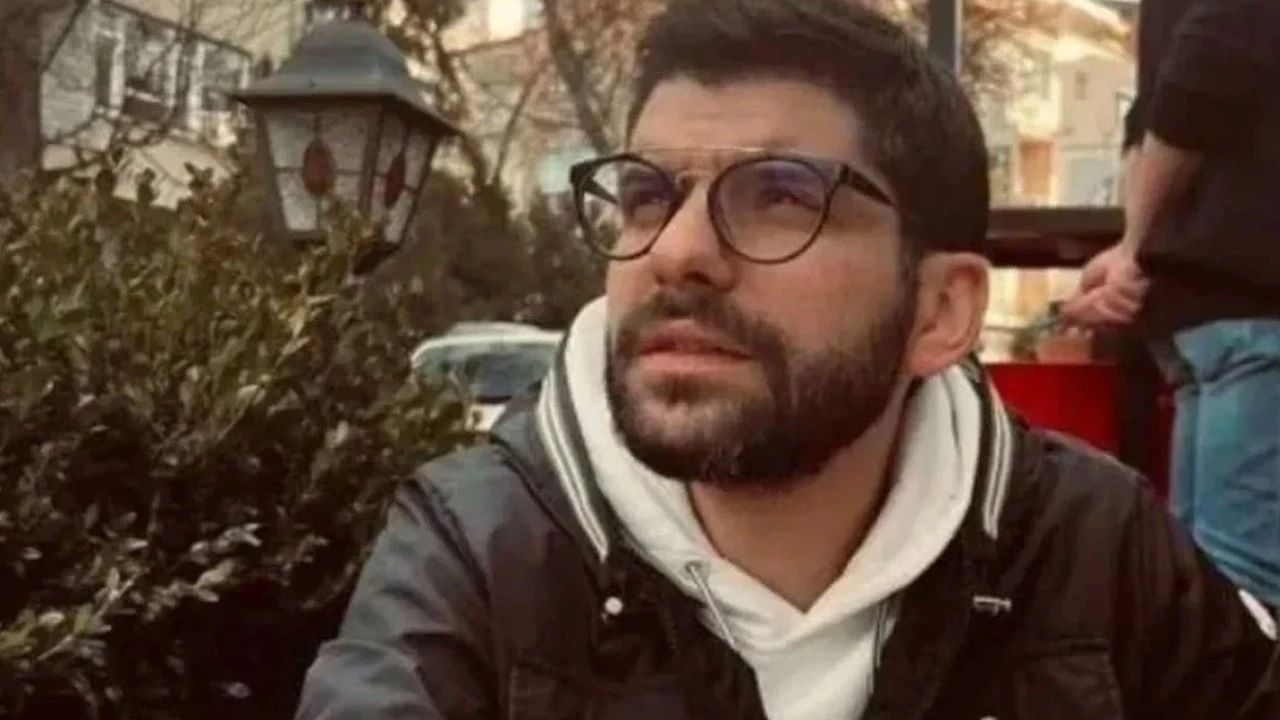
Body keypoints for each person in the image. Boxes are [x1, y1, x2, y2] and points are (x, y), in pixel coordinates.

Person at [297, 1, 1278, 718]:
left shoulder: (1094, 548)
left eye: (780, 196)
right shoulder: (481, 548)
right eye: (646, 196)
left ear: (940, 311)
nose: (676, 251)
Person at [1063, 0, 1280, 612]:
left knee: (1200, 577)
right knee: (1244, 585)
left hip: (1205, 307)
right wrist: (1133, 248)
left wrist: (1133, 248)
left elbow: (1157, 108)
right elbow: (1197, 76)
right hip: (1256, 297)